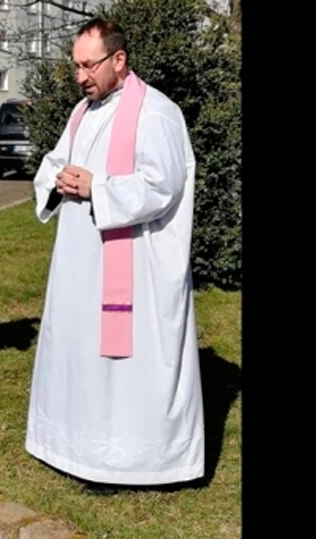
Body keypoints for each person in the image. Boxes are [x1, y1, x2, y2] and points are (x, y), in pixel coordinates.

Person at [25, 18, 205, 486]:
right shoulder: (82, 112)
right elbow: (55, 161)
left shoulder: (156, 113)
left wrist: (97, 188)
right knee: (82, 354)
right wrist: (58, 180)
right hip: (81, 260)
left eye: (89, 65)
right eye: (76, 66)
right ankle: (78, 449)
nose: (80, 76)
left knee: (125, 369)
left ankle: (132, 462)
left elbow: (162, 187)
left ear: (119, 59)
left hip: (134, 267)